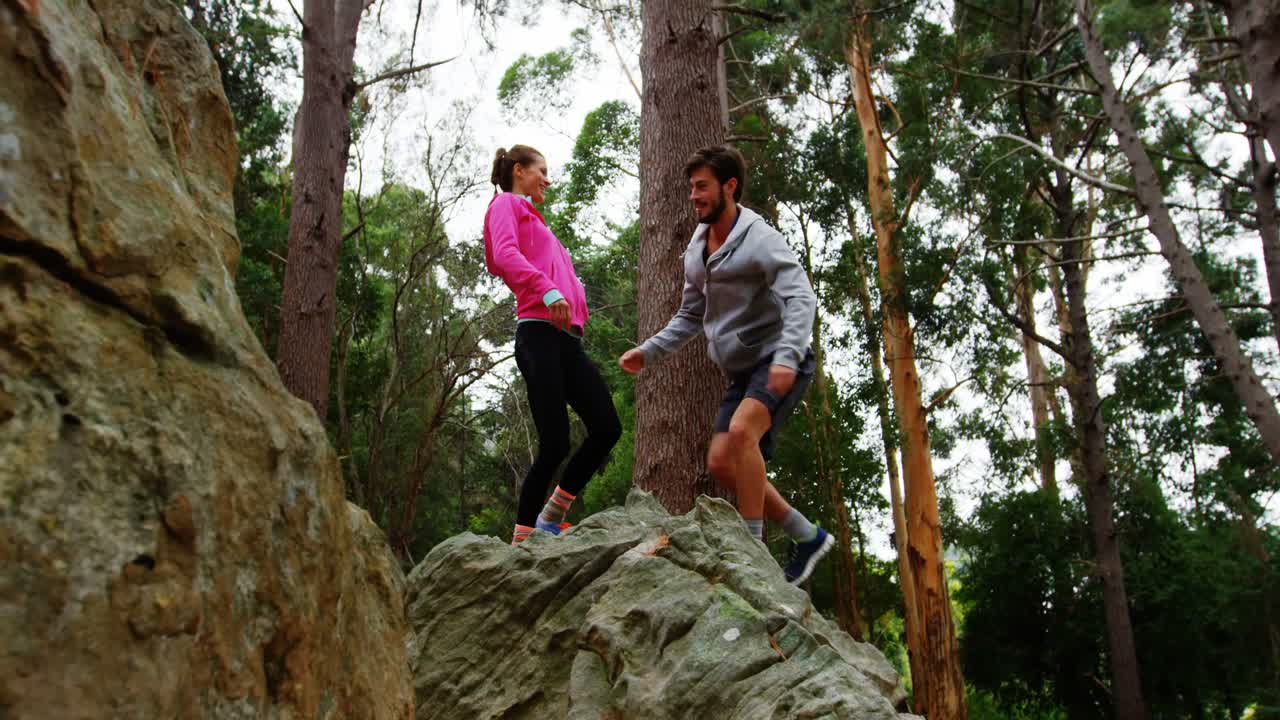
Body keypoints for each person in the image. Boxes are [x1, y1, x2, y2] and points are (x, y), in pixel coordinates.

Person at [618, 145, 833, 584]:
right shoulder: (697, 250)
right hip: (742, 370)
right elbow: (690, 315)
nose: (694, 196)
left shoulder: (760, 238)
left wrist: (789, 357)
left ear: (729, 186)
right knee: (720, 462)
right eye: (691, 187)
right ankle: (806, 534)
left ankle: (752, 552)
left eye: (702, 187)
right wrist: (649, 350)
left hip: (778, 359)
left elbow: (801, 296)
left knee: (741, 433)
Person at [485, 145, 622, 546]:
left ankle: (552, 515)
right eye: (541, 170)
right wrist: (547, 291)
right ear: (519, 170)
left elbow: (547, 266)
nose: (547, 178)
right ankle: (523, 537)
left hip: (566, 341)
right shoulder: (505, 205)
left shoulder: (536, 221)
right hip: (537, 334)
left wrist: (575, 295)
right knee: (555, 441)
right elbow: (504, 256)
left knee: (607, 427)